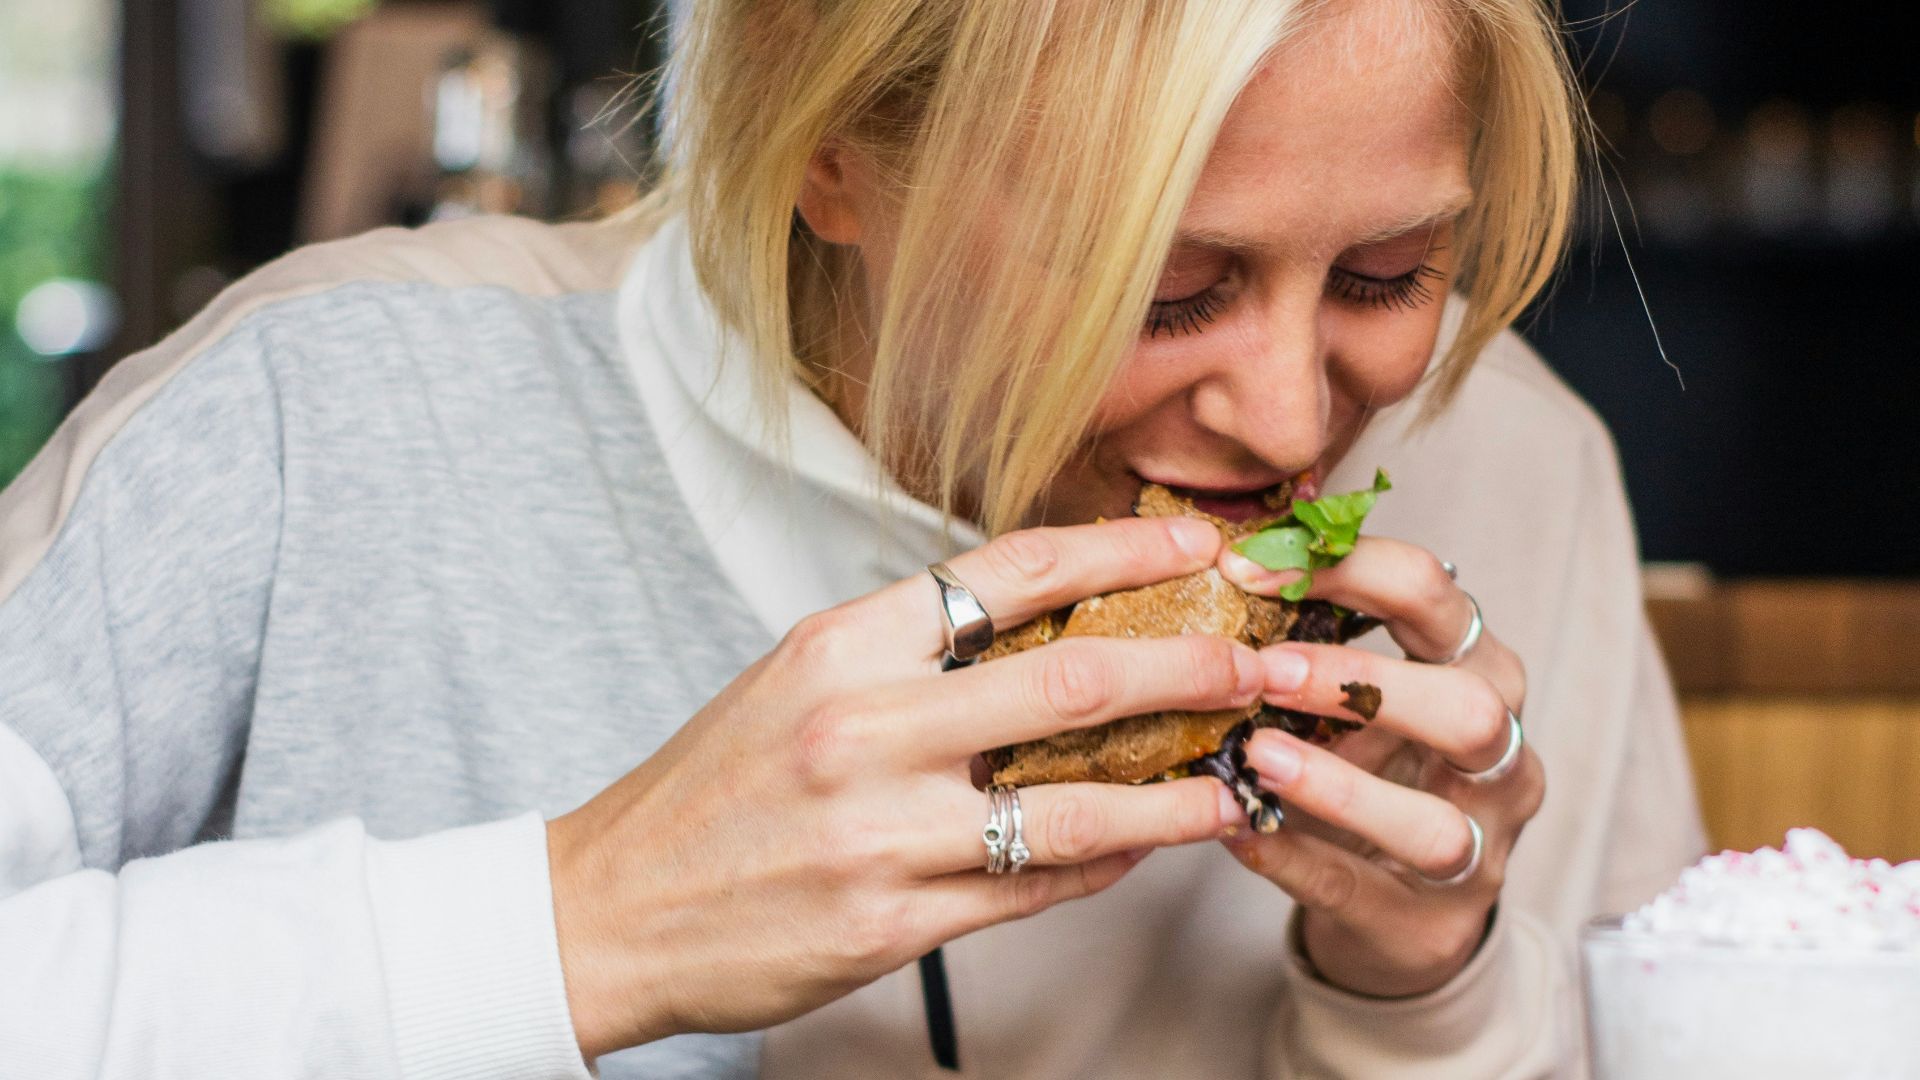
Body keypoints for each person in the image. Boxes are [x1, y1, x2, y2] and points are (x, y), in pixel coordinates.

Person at [0, 0, 1707, 1076]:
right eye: (1162, 288)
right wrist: (584, 923)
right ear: (829, 155)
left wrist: (1425, 995)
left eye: (1390, 275)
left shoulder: (1518, 467)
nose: (1286, 417)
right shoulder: (325, 411)